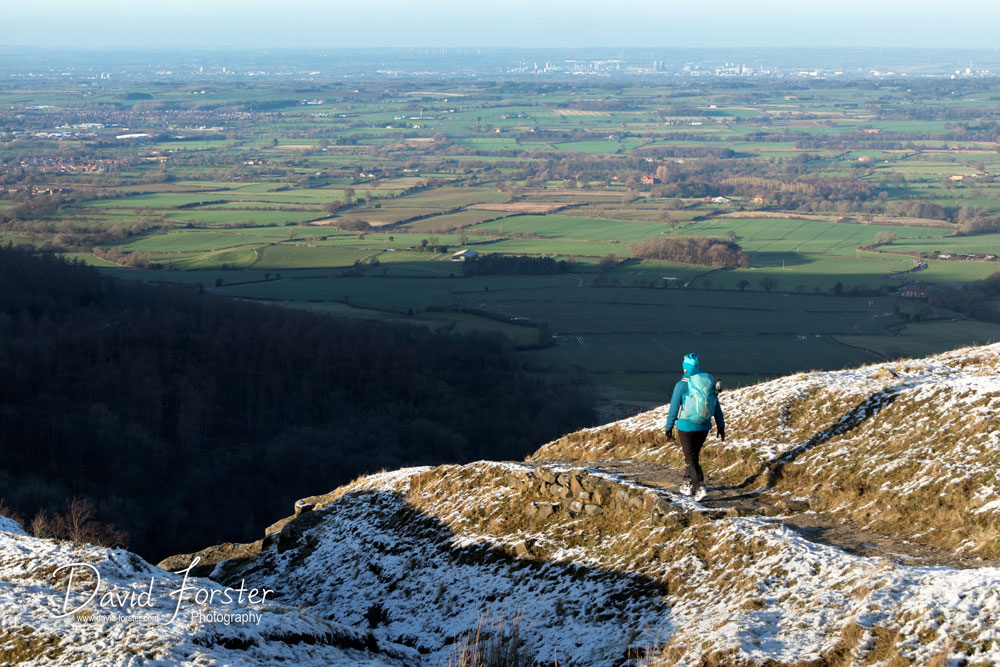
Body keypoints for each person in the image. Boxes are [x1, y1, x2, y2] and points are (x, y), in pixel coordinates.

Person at [664, 353, 725, 501]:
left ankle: (700, 488)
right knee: (693, 457)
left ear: (685, 368)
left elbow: (674, 408)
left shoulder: (681, 385)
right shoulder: (707, 383)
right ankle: (686, 485)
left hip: (686, 426)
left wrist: (669, 427)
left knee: (690, 460)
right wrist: (721, 425)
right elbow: (716, 406)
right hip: (704, 426)